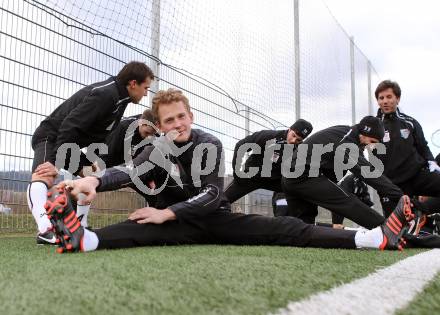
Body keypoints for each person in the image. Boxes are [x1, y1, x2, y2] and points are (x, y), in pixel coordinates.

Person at [45, 89, 414, 253]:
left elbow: (211, 195)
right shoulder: (156, 147)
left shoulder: (207, 143)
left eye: (181, 117)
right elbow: (131, 169)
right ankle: (86, 237)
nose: (176, 125)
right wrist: (93, 179)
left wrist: (166, 212)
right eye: (168, 121)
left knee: (288, 229)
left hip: (212, 216)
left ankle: (371, 238)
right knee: (142, 220)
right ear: (159, 125)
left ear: (191, 117)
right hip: (177, 221)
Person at [28, 61, 154, 244]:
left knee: (92, 177)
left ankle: (80, 224)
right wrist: (55, 161)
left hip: (69, 144)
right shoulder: (106, 94)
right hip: (51, 137)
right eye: (145, 87)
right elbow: (69, 125)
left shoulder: (121, 99)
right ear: (133, 83)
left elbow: (99, 132)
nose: (146, 93)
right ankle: (45, 229)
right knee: (44, 174)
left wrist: (90, 161)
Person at [282, 116, 405, 228]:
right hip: (302, 176)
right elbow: (368, 173)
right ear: (364, 133)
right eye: (372, 142)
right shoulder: (346, 142)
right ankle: (386, 228)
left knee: (304, 227)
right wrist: (400, 196)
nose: (371, 147)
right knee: (347, 201)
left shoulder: (347, 134)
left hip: (292, 177)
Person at [375, 80, 440, 217]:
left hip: (416, 176)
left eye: (389, 97)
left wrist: (432, 161)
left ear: (397, 99)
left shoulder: (410, 122)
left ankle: (421, 211)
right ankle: (416, 215)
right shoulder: (373, 125)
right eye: (381, 98)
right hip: (391, 185)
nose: (385, 101)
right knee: (396, 230)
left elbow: (423, 147)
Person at [224, 119, 313, 216]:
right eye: (293, 136)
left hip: (274, 181)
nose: (293, 141)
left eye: (298, 140)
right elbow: (241, 145)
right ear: (289, 129)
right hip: (251, 176)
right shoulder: (268, 137)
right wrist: (237, 173)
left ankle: (285, 221)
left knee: (295, 189)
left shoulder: (300, 149)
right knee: (221, 200)